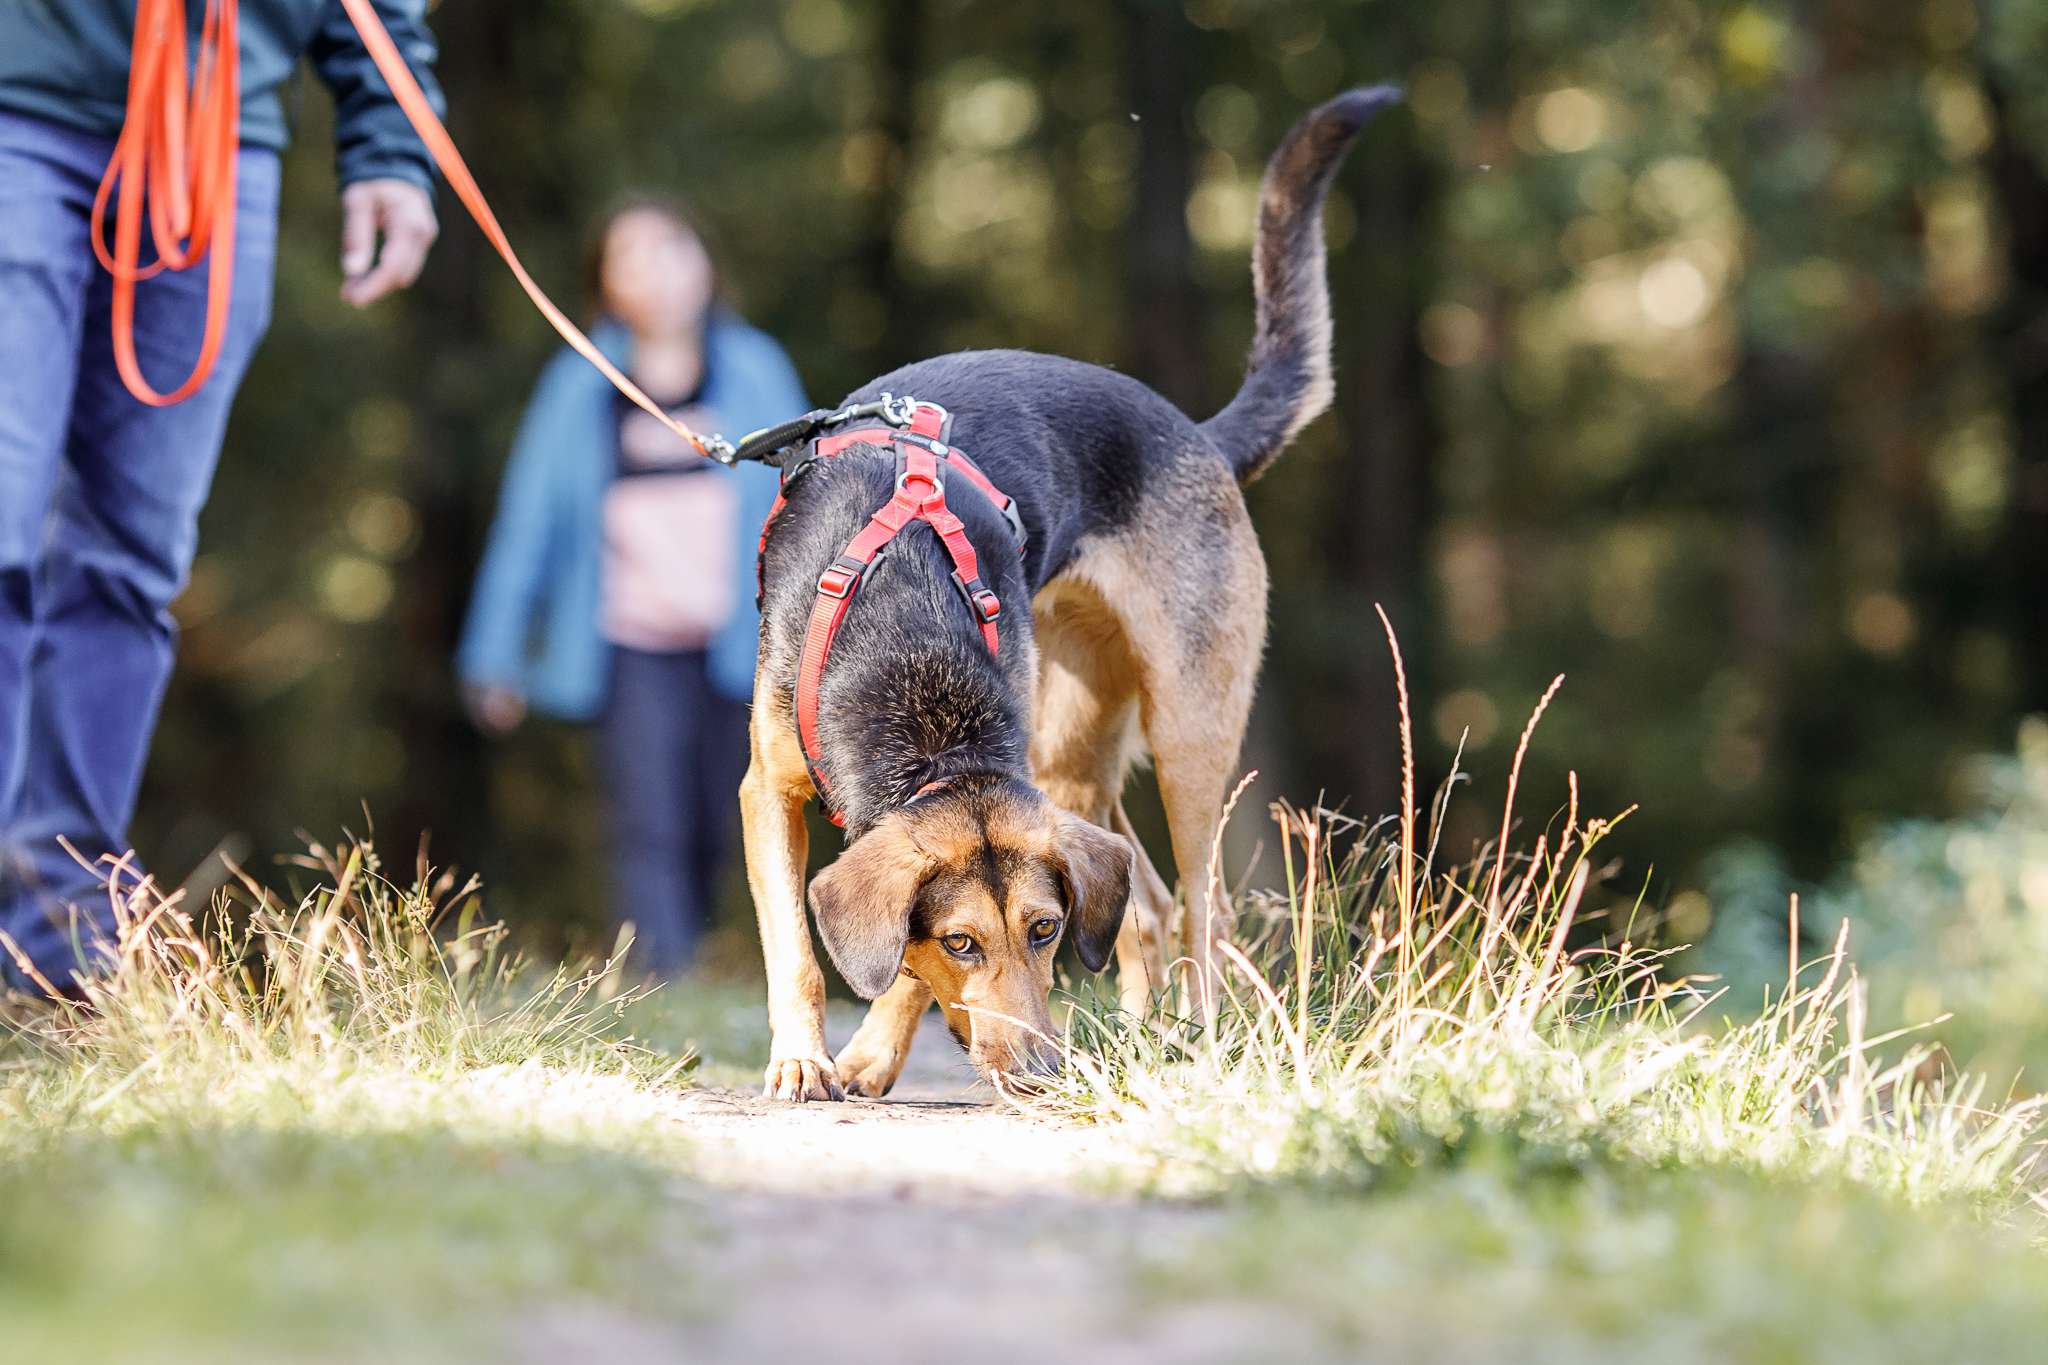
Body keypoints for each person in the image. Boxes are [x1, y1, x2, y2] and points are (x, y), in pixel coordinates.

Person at [0, 2, 444, 987]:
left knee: (133, 556)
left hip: (215, 133)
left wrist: (390, 142)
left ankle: (60, 940)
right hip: (21, 101)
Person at [457, 197, 802, 976]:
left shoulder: (756, 369)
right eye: (631, 255)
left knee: (723, 812)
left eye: (671, 248)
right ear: (606, 284)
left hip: (737, 644)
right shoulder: (579, 384)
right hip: (629, 643)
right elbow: (529, 522)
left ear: (706, 264)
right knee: (646, 817)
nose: (655, 270)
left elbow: (805, 503)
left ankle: (700, 950)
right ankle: (664, 976)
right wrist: (495, 655)